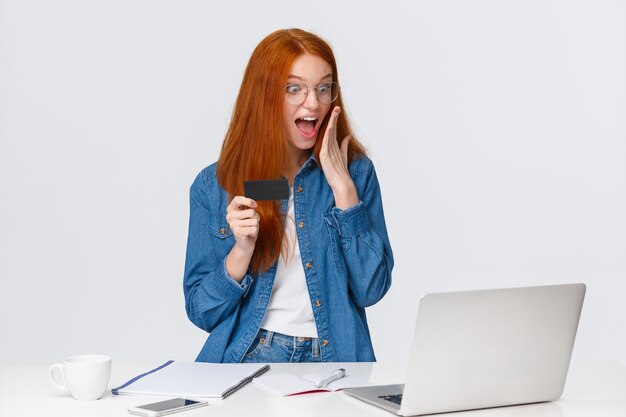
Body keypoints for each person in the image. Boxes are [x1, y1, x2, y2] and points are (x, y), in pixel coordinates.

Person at [183, 28, 393, 363]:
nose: (313, 102)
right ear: (264, 96)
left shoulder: (356, 174)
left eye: (323, 88)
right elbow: (201, 312)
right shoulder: (215, 184)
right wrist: (242, 251)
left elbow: (372, 290)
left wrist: (345, 193)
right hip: (251, 355)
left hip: (335, 359)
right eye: (294, 89)